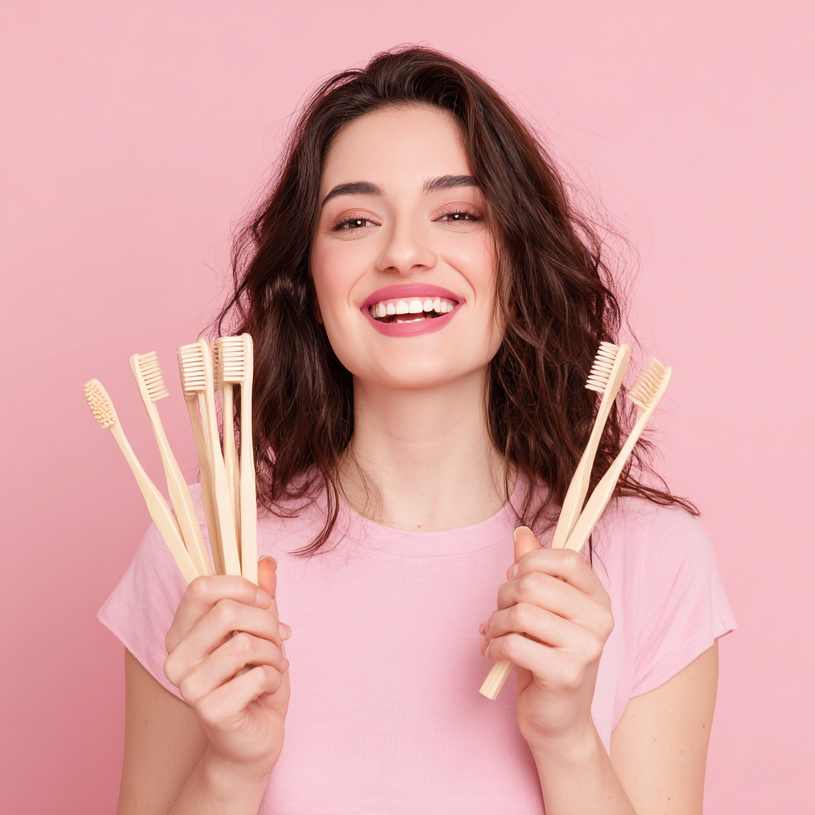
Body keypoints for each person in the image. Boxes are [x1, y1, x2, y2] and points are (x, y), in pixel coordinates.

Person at [99, 46, 736, 814]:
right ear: (308, 279)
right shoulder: (201, 549)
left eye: (458, 213)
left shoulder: (648, 558)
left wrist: (566, 739)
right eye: (356, 220)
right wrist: (233, 766)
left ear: (516, 256)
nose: (403, 251)